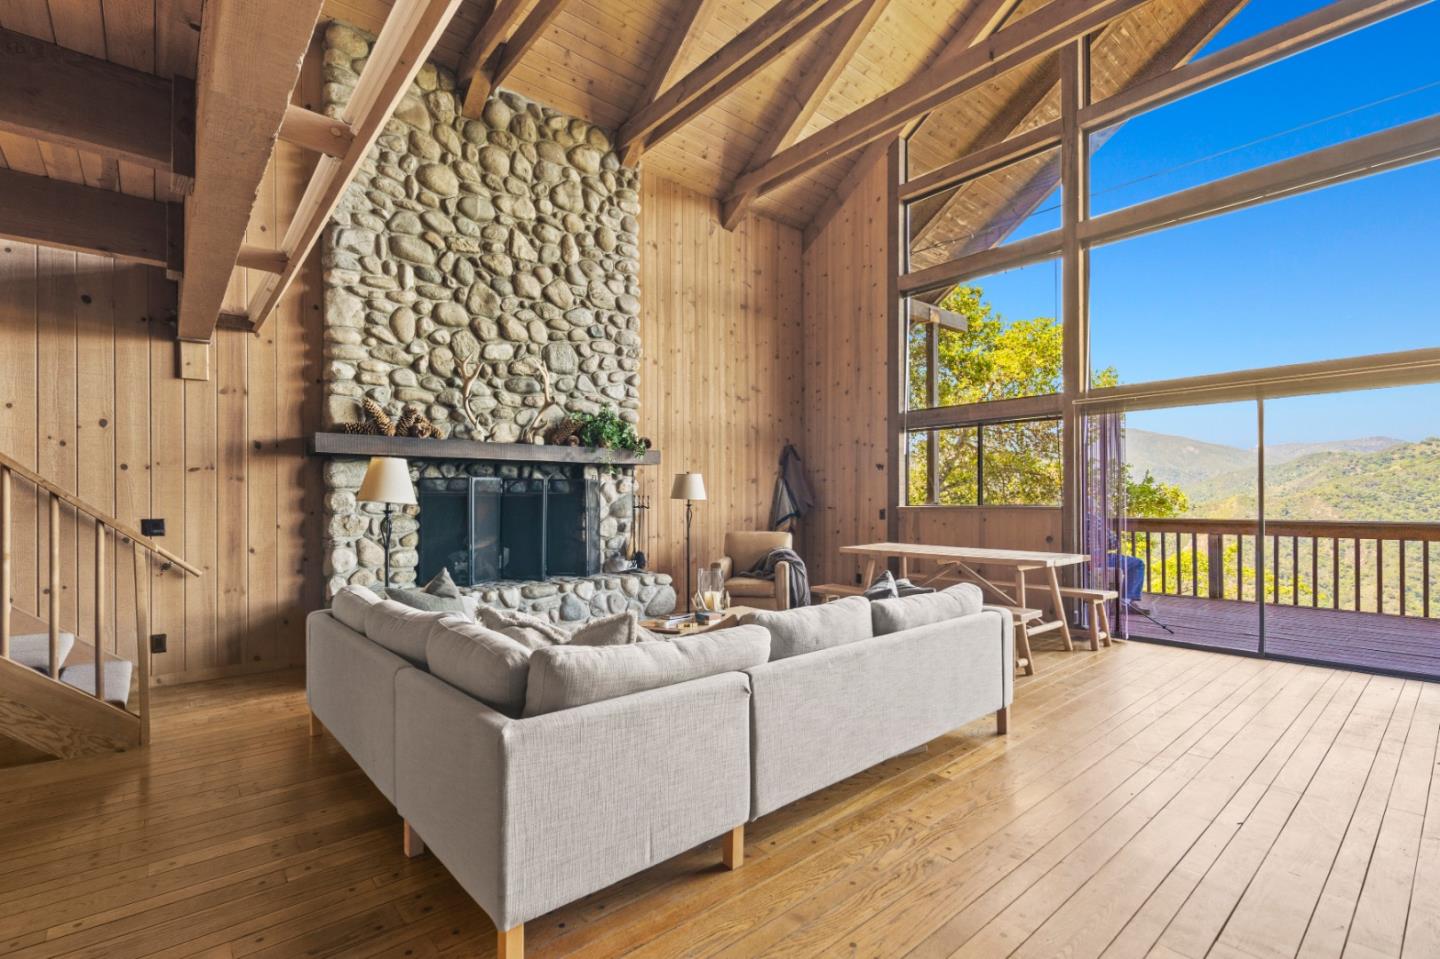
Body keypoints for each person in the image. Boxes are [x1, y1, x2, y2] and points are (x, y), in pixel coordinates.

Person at [1105, 538, 1150, 614]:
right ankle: (1124, 602)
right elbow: (1115, 543)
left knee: (1133, 563)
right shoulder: (1095, 526)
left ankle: (1125, 602)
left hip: (1091, 559)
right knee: (1138, 564)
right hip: (1101, 559)